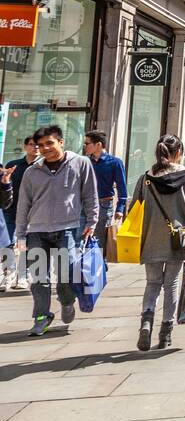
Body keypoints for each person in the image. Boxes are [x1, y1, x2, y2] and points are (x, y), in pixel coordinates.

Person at [14, 125, 98, 337]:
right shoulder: (32, 172)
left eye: (49, 143)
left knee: (65, 275)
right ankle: (42, 317)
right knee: (39, 278)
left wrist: (92, 220)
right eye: (40, 145)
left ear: (61, 142)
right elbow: (24, 204)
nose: (45, 148)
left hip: (67, 229)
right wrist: (21, 234)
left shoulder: (80, 163)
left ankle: (67, 301)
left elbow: (89, 194)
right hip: (37, 231)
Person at [129, 134, 185, 350]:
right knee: (172, 285)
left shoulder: (146, 178)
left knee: (152, 284)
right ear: (178, 153)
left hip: (150, 238)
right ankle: (166, 333)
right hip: (180, 239)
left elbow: (134, 209)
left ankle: (146, 322)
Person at [2, 136, 38, 291]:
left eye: (38, 145)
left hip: (33, 212)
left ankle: (23, 275)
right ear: (25, 147)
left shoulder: (44, 167)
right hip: (11, 209)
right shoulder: (14, 165)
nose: (35, 147)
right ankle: (7, 274)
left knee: (26, 245)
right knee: (6, 243)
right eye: (32, 144)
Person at [83, 131, 127, 250]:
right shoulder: (85, 162)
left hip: (104, 205)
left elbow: (122, 187)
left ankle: (100, 266)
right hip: (84, 205)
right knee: (82, 239)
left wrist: (120, 209)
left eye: (87, 143)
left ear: (98, 145)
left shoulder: (115, 162)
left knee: (99, 242)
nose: (85, 146)